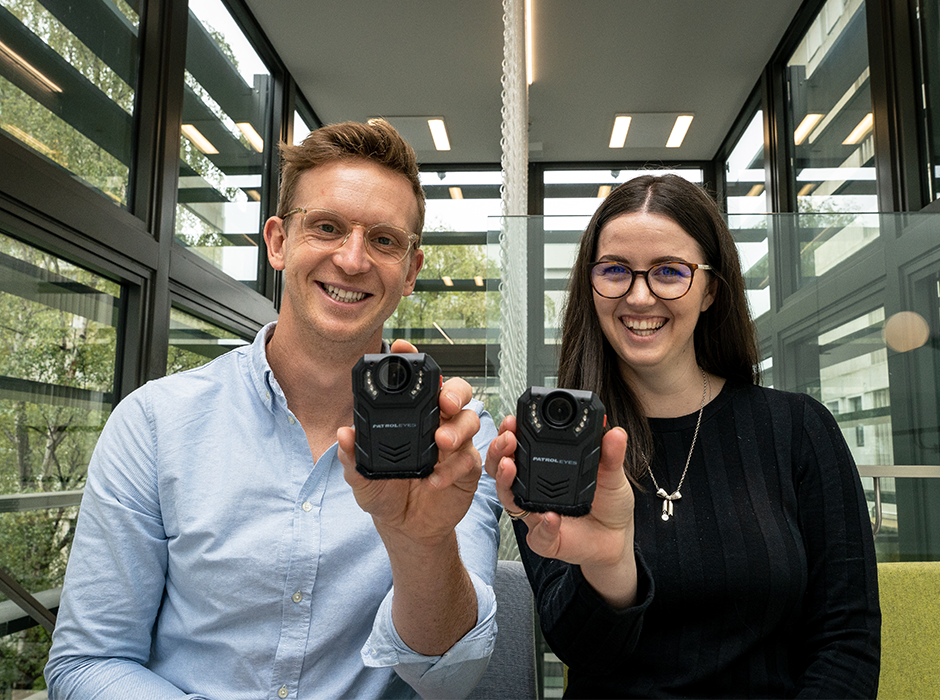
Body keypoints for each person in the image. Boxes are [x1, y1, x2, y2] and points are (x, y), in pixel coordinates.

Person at [45, 120, 502, 700]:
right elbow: (88, 663)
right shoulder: (154, 424)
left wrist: (420, 542)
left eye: (385, 240)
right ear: (279, 241)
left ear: (411, 271)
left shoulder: (453, 440)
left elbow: (451, 679)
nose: (353, 258)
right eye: (328, 227)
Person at [485, 174, 881, 698]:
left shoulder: (799, 429)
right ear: (591, 283)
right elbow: (579, 651)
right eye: (615, 271)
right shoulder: (560, 442)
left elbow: (846, 642)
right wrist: (608, 565)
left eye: (670, 272)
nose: (640, 296)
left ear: (712, 288)